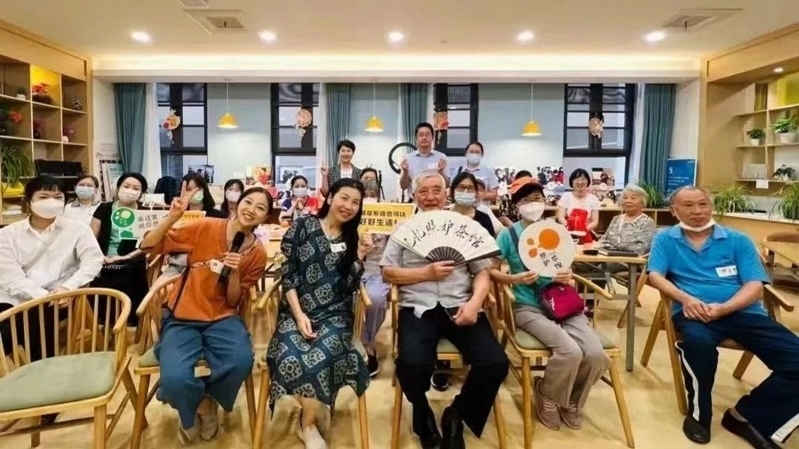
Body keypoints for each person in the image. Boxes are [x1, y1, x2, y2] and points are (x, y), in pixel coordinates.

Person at [647, 186, 799, 449]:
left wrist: (724, 308)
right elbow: (655, 275)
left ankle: (748, 416)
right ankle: (699, 414)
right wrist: (686, 299)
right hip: (694, 313)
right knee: (698, 345)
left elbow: (755, 286)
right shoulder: (666, 239)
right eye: (688, 205)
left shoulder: (737, 240)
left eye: (703, 204)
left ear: (711, 207)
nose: (697, 211)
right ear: (674, 211)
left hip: (743, 313)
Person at [381, 171, 509, 449]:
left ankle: (457, 413)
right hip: (418, 307)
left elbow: (482, 272)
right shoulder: (404, 228)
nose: (430, 197)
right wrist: (425, 273)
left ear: (446, 193)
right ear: (414, 196)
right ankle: (422, 412)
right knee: (411, 364)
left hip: (461, 304)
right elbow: (387, 272)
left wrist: (475, 303)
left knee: (495, 363)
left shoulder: (462, 226)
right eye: (423, 191)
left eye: (436, 190)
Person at [139, 183, 269, 444]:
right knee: (174, 380)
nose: (251, 210)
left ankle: (206, 399)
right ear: (237, 204)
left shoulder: (257, 253)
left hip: (223, 317)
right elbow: (148, 245)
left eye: (261, 208)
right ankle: (201, 407)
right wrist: (172, 217)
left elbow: (233, 300)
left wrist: (235, 273)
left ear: (265, 217)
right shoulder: (206, 226)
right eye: (248, 202)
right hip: (183, 316)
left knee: (241, 361)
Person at [489, 178, 610, 431]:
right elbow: (491, 271)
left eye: (537, 198)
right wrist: (515, 279)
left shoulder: (556, 230)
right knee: (570, 351)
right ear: (516, 206)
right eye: (525, 200)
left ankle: (573, 400)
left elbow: (567, 265)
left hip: (562, 302)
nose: (532, 204)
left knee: (596, 354)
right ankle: (548, 394)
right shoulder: (508, 235)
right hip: (527, 305)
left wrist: (567, 275)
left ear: (545, 201)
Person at [267, 178, 372, 449]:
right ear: (330, 197)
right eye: (344, 198)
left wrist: (359, 258)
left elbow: (349, 287)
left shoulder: (352, 238)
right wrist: (299, 315)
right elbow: (288, 274)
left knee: (321, 357)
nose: (348, 206)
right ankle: (313, 408)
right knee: (289, 356)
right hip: (295, 310)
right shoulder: (302, 226)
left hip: (335, 315)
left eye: (356, 202)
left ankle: (308, 423)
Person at [0, 175, 103, 362]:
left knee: (36, 317)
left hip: (60, 296)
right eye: (43, 197)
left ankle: (43, 367)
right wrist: (41, 296)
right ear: (28, 201)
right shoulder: (7, 234)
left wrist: (68, 287)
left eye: (57, 197)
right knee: (9, 326)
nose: (51, 202)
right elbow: (9, 276)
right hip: (14, 296)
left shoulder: (78, 230)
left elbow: (93, 261)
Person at [90, 172, 149, 325]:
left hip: (131, 260)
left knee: (128, 277)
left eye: (136, 188)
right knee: (98, 278)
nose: (130, 191)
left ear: (141, 193)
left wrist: (125, 257)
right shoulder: (104, 208)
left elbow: (147, 245)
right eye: (126, 186)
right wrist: (100, 257)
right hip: (101, 258)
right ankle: (103, 322)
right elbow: (91, 239)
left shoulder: (144, 213)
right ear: (118, 188)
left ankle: (127, 321)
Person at [359, 175, 390, 377]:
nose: (369, 198)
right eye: (365, 195)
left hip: (378, 269)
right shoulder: (351, 217)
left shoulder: (387, 217)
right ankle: (357, 342)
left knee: (376, 300)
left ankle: (368, 343)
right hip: (355, 267)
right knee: (345, 298)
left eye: (373, 195)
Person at [597, 183, 657, 256]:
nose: (628, 201)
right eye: (625, 198)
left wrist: (615, 249)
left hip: (632, 261)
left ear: (642, 203)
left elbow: (642, 248)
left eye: (633, 198)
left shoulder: (647, 222)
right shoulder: (616, 219)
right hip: (609, 257)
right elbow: (603, 240)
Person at [399, 122, 449, 199]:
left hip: (435, 200)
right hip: (414, 201)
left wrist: (441, 172)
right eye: (421, 135)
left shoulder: (442, 158)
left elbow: (447, 185)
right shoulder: (407, 159)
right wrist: (405, 172)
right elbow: (403, 186)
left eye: (427, 134)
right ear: (416, 138)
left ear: (433, 137)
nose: (424, 138)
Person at [556, 169, 600, 240]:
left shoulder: (593, 199)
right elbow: (560, 217)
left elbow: (595, 221)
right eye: (576, 179)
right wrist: (569, 227)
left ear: (588, 181)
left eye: (583, 179)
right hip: (568, 232)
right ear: (572, 182)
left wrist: (583, 229)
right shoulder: (566, 196)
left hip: (586, 232)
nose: (580, 182)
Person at [448, 171, 495, 238]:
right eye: (461, 187)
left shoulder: (484, 219)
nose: (465, 191)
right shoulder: (444, 216)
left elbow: (490, 242)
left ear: (476, 192)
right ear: (453, 190)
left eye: (470, 188)